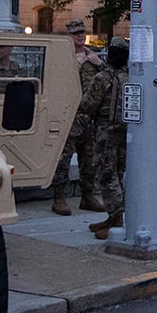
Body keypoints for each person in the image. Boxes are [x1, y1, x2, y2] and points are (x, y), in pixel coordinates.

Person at [50, 19, 105, 216]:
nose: (80, 36)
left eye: (82, 32)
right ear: (69, 35)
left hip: (88, 115)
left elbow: (106, 77)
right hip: (69, 115)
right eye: (76, 33)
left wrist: (100, 64)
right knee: (63, 158)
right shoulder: (63, 56)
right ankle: (59, 198)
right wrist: (77, 64)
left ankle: (88, 197)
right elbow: (57, 80)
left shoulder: (92, 54)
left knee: (89, 159)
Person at [85, 38, 130, 238]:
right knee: (119, 174)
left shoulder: (102, 78)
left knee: (107, 175)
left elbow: (88, 104)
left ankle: (115, 218)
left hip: (105, 132)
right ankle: (114, 217)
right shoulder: (130, 76)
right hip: (125, 131)